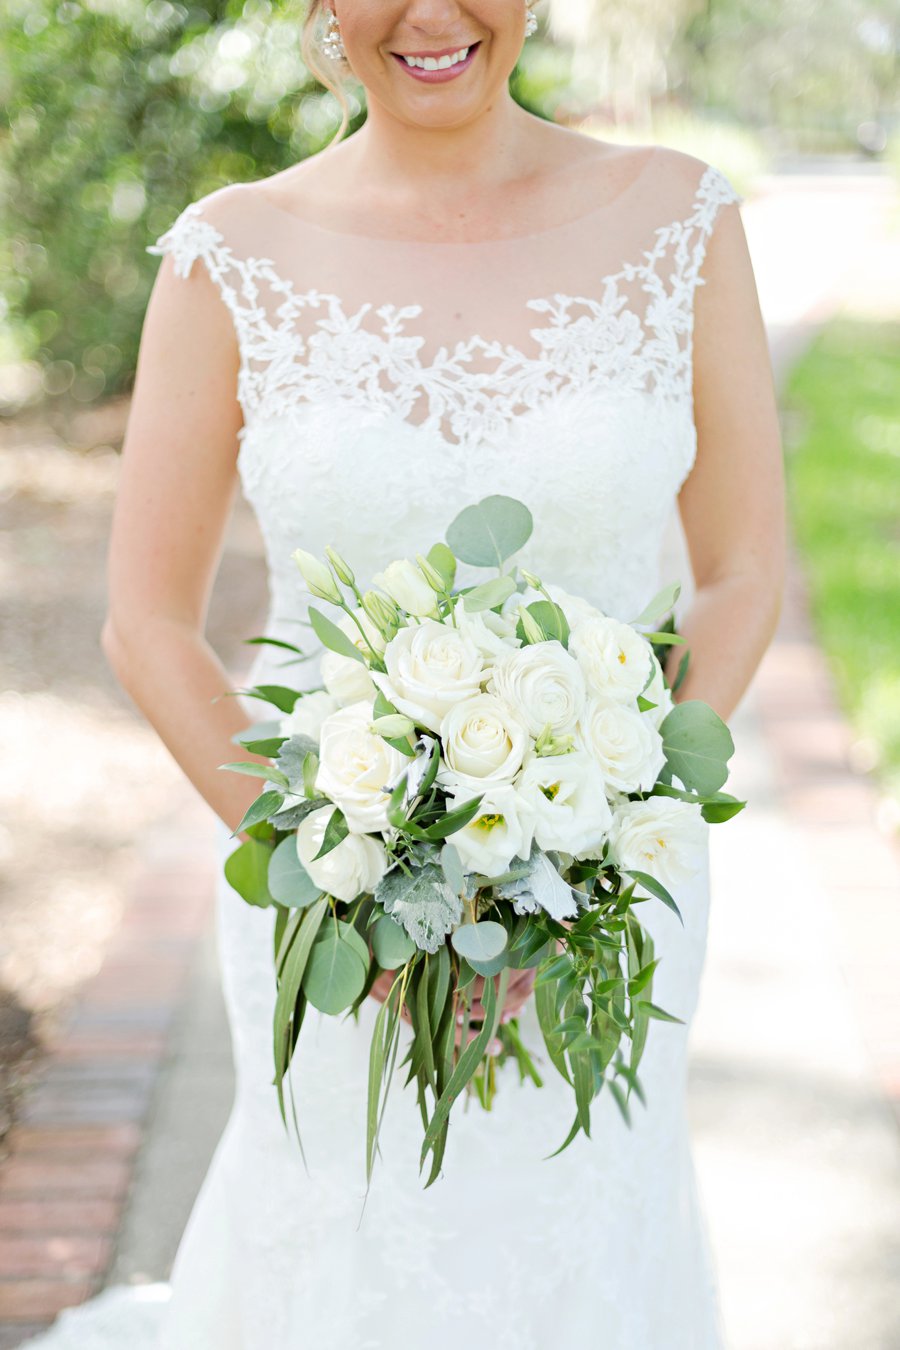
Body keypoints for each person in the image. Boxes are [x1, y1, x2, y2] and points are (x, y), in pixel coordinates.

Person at [19, 1, 786, 1346]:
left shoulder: (680, 219)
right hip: (330, 911)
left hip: (614, 904)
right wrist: (341, 884)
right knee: (351, 1253)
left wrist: (595, 848)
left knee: (586, 1239)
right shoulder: (229, 255)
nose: (430, 14)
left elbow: (741, 574)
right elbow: (148, 620)